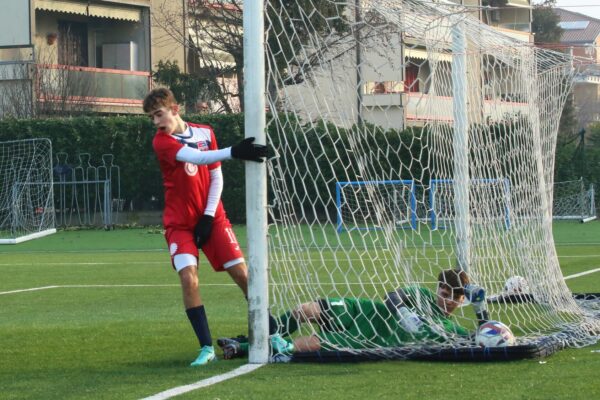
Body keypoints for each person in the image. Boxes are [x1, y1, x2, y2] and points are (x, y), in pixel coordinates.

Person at [144, 87, 271, 367]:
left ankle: (272, 332)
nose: (156, 122)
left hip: (212, 218)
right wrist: (234, 151)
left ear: (174, 109)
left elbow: (215, 175)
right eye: (152, 118)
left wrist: (208, 216)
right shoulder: (162, 142)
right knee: (189, 279)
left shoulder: (205, 131)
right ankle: (205, 347)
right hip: (179, 224)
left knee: (243, 275)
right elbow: (198, 158)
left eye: (159, 114)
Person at [219, 268, 482, 358]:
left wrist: (483, 314)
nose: (446, 300)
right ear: (438, 288)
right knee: (304, 310)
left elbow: (477, 338)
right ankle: (257, 341)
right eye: (443, 293)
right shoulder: (422, 295)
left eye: (453, 297)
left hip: (369, 340)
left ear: (461, 301)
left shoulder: (448, 330)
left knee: (307, 345)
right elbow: (392, 295)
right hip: (364, 311)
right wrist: (403, 312)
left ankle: (242, 348)